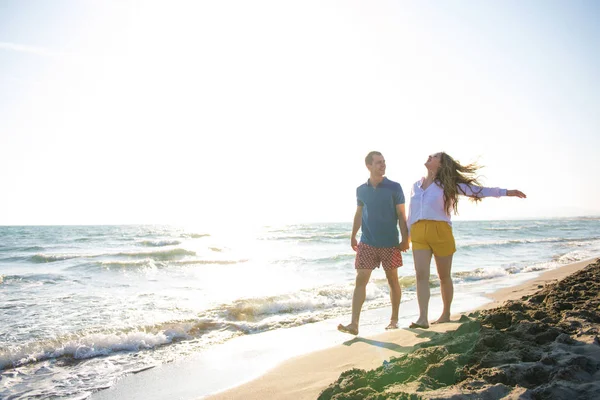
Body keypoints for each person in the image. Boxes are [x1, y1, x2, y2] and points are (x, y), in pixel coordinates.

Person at [407, 152, 526, 329]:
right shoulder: (416, 185)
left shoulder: (448, 184)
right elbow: (411, 213)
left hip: (441, 231)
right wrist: (406, 237)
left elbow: (478, 191)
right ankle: (422, 318)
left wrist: (506, 192)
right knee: (421, 275)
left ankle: (445, 314)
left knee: (443, 276)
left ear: (440, 164)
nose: (429, 156)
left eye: (434, 156)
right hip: (418, 233)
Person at [337, 151, 410, 336]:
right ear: (369, 165)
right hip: (367, 241)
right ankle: (354, 324)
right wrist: (353, 235)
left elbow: (402, 215)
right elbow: (359, 213)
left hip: (390, 243)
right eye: (378, 162)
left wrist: (405, 238)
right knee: (361, 279)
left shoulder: (395, 187)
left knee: (392, 280)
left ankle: (394, 320)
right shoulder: (361, 190)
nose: (382, 165)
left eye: (384, 162)